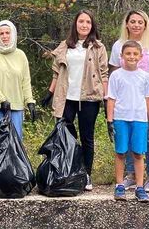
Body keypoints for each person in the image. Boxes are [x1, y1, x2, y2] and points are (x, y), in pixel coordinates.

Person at [41, 10, 108, 191]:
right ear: (75, 24)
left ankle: (86, 174)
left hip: (89, 97)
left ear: (92, 25)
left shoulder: (98, 47)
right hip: (67, 98)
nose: (84, 25)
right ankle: (68, 171)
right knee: (66, 136)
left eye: (88, 22)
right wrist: (50, 92)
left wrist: (106, 97)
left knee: (87, 137)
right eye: (81, 21)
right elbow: (57, 72)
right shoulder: (65, 46)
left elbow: (103, 74)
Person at [108, 10, 149, 193]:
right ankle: (129, 176)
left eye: (140, 22)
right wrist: (110, 110)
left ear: (145, 25)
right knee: (125, 141)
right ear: (126, 24)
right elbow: (113, 73)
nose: (136, 25)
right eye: (133, 21)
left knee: (146, 140)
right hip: (124, 101)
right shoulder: (118, 45)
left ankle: (148, 177)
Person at [0, 20, 36, 165]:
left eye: (7, 33)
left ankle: (11, 175)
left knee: (14, 142)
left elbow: (25, 80)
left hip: (15, 106)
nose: (4, 36)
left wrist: (30, 101)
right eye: (1, 33)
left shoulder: (20, 55)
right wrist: (0, 99)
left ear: (13, 34)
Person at [106, 40, 149, 203]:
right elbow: (111, 99)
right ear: (122, 56)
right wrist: (109, 120)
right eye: (128, 53)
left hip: (139, 119)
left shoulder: (145, 76)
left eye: (135, 54)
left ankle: (140, 187)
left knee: (138, 153)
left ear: (141, 56)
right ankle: (119, 185)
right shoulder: (116, 75)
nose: (131, 57)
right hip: (121, 118)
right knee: (120, 152)